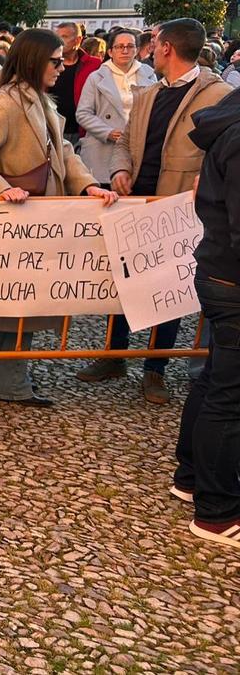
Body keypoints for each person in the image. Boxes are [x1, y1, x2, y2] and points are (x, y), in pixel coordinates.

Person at [0, 28, 117, 407]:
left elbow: (61, 150)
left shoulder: (36, 100)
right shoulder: (6, 104)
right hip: (17, 223)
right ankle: (8, 382)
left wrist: (87, 186)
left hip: (30, 221)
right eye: (55, 60)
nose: (62, 67)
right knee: (19, 303)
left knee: (12, 302)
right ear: (34, 60)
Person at [85, 19, 233, 403]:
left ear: (166, 47)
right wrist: (120, 168)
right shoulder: (148, 93)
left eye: (154, 41)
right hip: (136, 202)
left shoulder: (218, 94)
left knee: (171, 290)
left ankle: (156, 368)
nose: (149, 47)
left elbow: (225, 152)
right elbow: (127, 143)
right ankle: (115, 355)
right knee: (124, 279)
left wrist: (206, 178)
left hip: (179, 208)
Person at [173, 88, 240, 548]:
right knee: (229, 395)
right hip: (232, 281)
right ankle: (216, 512)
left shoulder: (228, 126)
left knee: (216, 380)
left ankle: (192, 477)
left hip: (221, 274)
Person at [75, 29, 156, 186]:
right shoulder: (96, 77)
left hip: (138, 147)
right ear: (110, 51)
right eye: (119, 46)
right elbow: (83, 113)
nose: (125, 50)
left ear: (137, 50)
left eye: (130, 46)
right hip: (103, 148)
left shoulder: (149, 74)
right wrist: (107, 132)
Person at [52, 21, 102, 140]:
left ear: (78, 40)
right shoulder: (47, 63)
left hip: (83, 131)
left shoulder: (94, 65)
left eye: (64, 37)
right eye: (56, 37)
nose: (59, 41)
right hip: (53, 129)